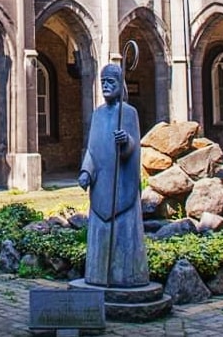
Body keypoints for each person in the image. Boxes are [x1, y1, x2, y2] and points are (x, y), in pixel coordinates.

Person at [78, 63, 150, 287]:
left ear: (120, 85)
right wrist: (86, 172)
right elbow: (92, 149)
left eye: (111, 83)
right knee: (100, 233)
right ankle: (97, 276)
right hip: (102, 187)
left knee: (123, 234)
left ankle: (126, 276)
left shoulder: (128, 113)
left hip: (122, 187)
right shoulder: (98, 114)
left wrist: (125, 142)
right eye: (103, 83)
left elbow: (135, 148)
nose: (106, 87)